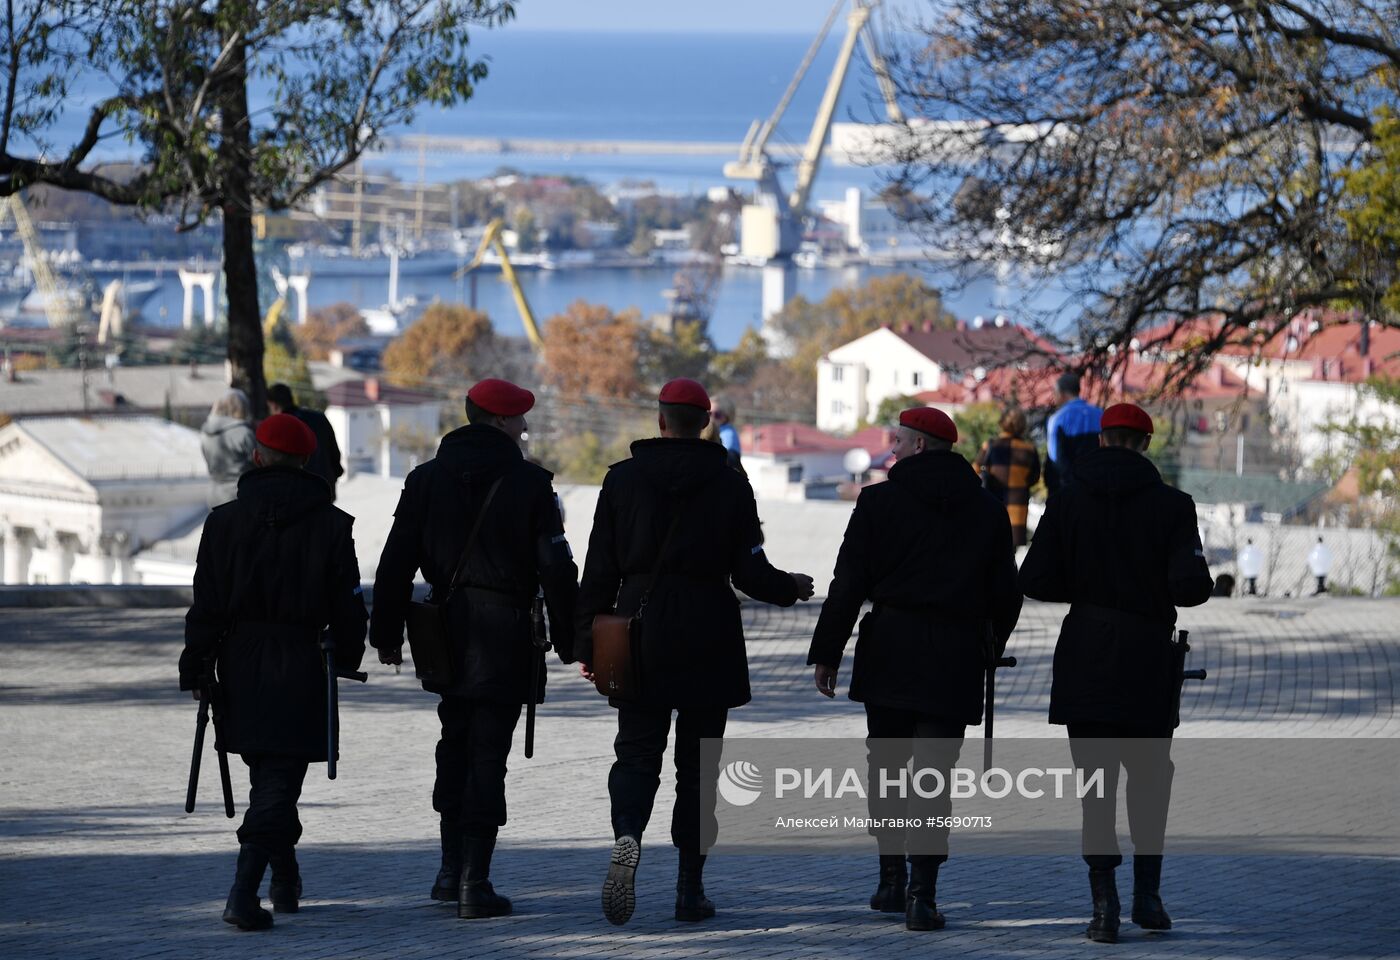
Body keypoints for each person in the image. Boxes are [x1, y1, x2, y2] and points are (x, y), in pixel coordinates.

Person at [574, 378, 815, 927]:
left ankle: (628, 835)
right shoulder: (729, 481)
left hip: (637, 631)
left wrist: (586, 641)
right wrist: (789, 587)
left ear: (660, 420)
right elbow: (749, 569)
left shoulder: (622, 480)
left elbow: (599, 570)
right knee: (700, 768)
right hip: (708, 630)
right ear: (705, 422)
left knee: (636, 752)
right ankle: (690, 889)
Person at [370, 378, 578, 920]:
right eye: (520, 420)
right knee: (488, 754)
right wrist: (572, 639)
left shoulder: (424, 480)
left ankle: (447, 870)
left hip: (444, 630)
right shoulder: (532, 485)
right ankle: (474, 881)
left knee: (453, 743)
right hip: (506, 633)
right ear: (500, 422)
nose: (526, 428)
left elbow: (395, 563)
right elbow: (556, 569)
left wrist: (386, 634)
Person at [808, 406, 1022, 931]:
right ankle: (922, 896)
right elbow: (1007, 596)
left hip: (890, 649)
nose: (893, 448)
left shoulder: (878, 502)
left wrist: (828, 652)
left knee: (886, 769)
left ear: (921, 445)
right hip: (955, 656)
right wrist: (990, 647)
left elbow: (848, 582)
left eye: (899, 440)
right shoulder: (988, 510)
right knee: (933, 778)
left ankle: (889, 879)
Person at [1019, 402, 1213, 944]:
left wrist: (1084, 593)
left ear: (1102, 440)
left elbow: (1034, 578)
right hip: (1149, 657)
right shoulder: (1174, 506)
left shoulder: (1068, 499)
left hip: (1086, 651)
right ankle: (1149, 898)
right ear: (1145, 444)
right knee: (1151, 781)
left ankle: (1103, 908)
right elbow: (1189, 589)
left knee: (1095, 787)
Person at [179, 413, 369, 931]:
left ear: (257, 456)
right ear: (308, 461)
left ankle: (284, 878)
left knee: (271, 776)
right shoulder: (332, 525)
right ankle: (243, 893)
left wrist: (197, 664)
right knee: (278, 783)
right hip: (300, 661)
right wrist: (350, 654)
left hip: (238, 661)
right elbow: (348, 606)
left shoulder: (223, 521)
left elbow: (206, 605)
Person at [973, 407, 1042, 547]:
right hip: (1018, 507)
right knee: (1011, 550)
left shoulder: (990, 445)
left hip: (991, 504)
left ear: (1002, 423)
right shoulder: (1029, 449)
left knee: (990, 546)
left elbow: (974, 471)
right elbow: (1034, 478)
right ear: (1022, 425)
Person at [267, 383, 344, 499]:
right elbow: (335, 455)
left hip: (295, 494)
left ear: (273, 405)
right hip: (324, 489)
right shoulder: (319, 418)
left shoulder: (280, 426)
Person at [1044, 373, 1103, 495]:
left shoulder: (1057, 419)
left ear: (1062, 393)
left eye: (1054, 392)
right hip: (1097, 485)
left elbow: (1055, 457)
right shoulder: (1100, 414)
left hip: (1068, 488)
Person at [200, 388, 256, 506]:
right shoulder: (243, 433)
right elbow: (257, 462)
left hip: (214, 495)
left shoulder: (205, 433)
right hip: (239, 495)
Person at [709, 398, 743, 472]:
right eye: (709, 413)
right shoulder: (716, 430)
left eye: (717, 415)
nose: (712, 418)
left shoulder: (728, 434)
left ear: (727, 417)